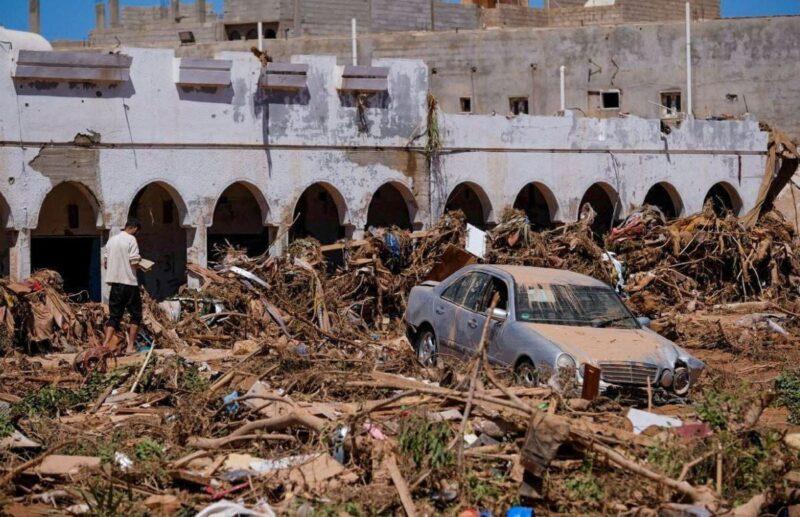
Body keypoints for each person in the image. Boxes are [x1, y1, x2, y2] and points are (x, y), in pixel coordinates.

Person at [102, 218, 143, 355]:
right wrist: (141, 266)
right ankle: (130, 347)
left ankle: (105, 345)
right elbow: (134, 261)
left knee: (114, 316)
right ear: (134, 228)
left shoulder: (111, 240)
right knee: (136, 315)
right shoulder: (131, 240)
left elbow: (106, 263)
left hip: (115, 284)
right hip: (129, 283)